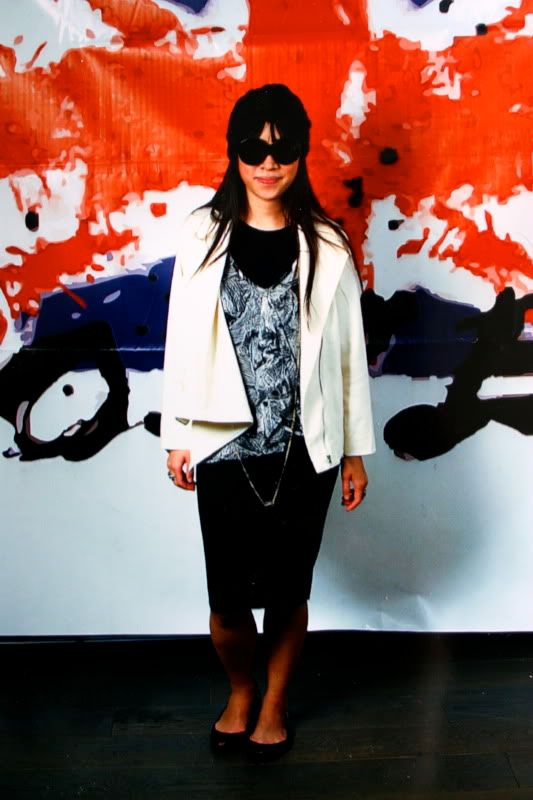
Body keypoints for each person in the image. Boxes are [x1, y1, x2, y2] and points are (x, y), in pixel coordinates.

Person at [161, 84, 375, 761]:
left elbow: (348, 353)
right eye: (253, 149)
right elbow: (179, 340)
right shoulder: (201, 233)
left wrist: (354, 451)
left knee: (287, 593)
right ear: (235, 152)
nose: (267, 163)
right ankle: (240, 688)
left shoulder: (328, 244)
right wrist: (176, 435)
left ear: (301, 154)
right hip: (221, 442)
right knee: (227, 602)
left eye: (281, 150)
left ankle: (274, 703)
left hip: (304, 446)